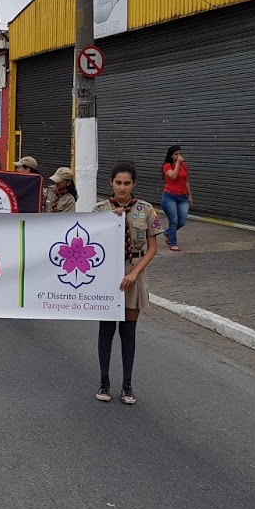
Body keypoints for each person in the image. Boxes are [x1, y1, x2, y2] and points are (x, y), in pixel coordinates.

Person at [92, 160, 163, 405]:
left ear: (134, 184)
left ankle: (127, 385)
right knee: (106, 330)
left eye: (127, 183)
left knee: (128, 332)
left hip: (134, 271)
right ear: (111, 183)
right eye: (118, 183)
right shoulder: (100, 210)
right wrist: (107, 221)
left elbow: (153, 248)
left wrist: (134, 273)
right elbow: (90, 242)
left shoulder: (145, 210)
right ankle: (104, 381)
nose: (122, 188)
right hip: (107, 275)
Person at [161, 145, 191, 252]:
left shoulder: (184, 165)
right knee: (173, 220)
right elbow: (173, 176)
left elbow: (186, 181)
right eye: (175, 154)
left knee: (182, 221)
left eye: (179, 153)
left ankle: (168, 233)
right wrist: (177, 163)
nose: (178, 156)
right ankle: (173, 243)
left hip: (183, 197)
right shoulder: (166, 166)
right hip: (170, 196)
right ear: (171, 155)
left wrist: (190, 195)